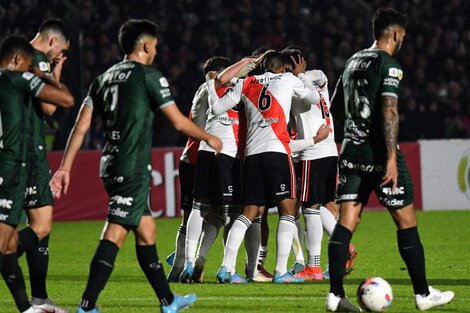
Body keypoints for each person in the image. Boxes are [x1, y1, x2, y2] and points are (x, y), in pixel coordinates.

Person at [49, 19, 221, 313]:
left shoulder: (103, 78)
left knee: (147, 230)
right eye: (154, 45)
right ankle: (87, 305)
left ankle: (168, 301)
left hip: (111, 162)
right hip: (131, 166)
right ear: (144, 45)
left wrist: (65, 167)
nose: (155, 50)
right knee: (115, 232)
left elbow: (80, 126)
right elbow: (178, 121)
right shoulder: (149, 76)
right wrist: (210, 138)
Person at [326, 8, 454, 312]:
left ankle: (334, 295)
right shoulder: (389, 65)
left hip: (352, 151)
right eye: (403, 36)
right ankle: (423, 294)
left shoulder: (351, 61)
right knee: (405, 220)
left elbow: (336, 108)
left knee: (346, 222)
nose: (403, 40)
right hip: (380, 154)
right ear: (395, 34)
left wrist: (355, 133)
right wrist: (391, 158)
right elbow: (389, 110)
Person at [207, 51, 328, 284]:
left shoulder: (247, 82)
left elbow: (218, 108)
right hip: (277, 152)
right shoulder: (288, 79)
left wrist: (213, 85)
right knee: (288, 210)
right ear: (283, 68)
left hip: (252, 156)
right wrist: (301, 76)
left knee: (249, 212)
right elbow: (314, 98)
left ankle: (226, 268)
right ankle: (281, 271)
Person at [0, 35, 73, 313]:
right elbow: (61, 101)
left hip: (14, 162)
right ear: (18, 60)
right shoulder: (17, 77)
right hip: (15, 164)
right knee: (10, 241)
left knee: (25, 233)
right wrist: (43, 74)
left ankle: (30, 306)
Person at [167, 56, 232, 283]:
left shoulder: (200, 90)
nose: (231, 78)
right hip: (205, 157)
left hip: (189, 158)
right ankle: (195, 260)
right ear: (216, 74)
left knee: (191, 216)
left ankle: (181, 266)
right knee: (216, 214)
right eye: (227, 73)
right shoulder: (213, 89)